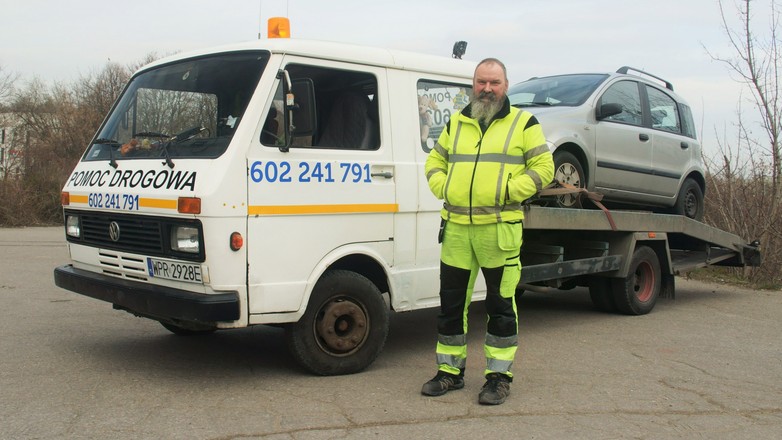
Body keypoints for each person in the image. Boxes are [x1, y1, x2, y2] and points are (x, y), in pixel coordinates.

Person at [422, 58, 554, 405]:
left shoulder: (524, 123)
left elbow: (544, 167)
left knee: (501, 307)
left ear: (506, 85)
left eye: (494, 82)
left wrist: (509, 190)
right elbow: (434, 162)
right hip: (457, 231)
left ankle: (498, 377)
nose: (487, 89)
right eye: (481, 82)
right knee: (451, 306)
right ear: (473, 84)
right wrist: (445, 186)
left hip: (498, 231)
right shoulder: (457, 122)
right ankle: (449, 372)